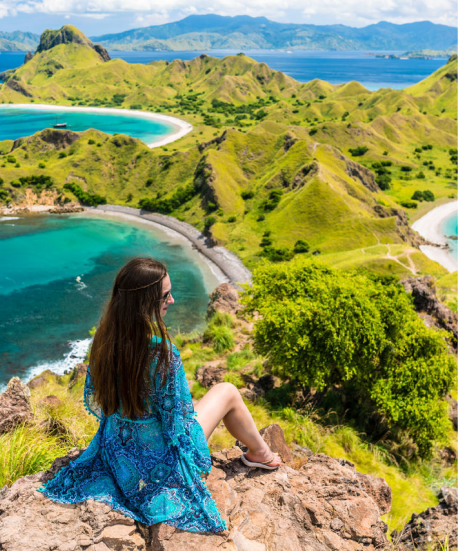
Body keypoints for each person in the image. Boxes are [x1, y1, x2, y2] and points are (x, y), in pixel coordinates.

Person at [37, 257, 281, 533]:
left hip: (115, 452)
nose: (172, 300)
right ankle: (261, 453)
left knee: (206, 401)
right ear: (144, 302)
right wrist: (196, 457)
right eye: (165, 295)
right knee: (226, 391)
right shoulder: (162, 354)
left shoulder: (103, 339)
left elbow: (101, 402)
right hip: (157, 466)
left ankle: (260, 451)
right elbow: (179, 425)